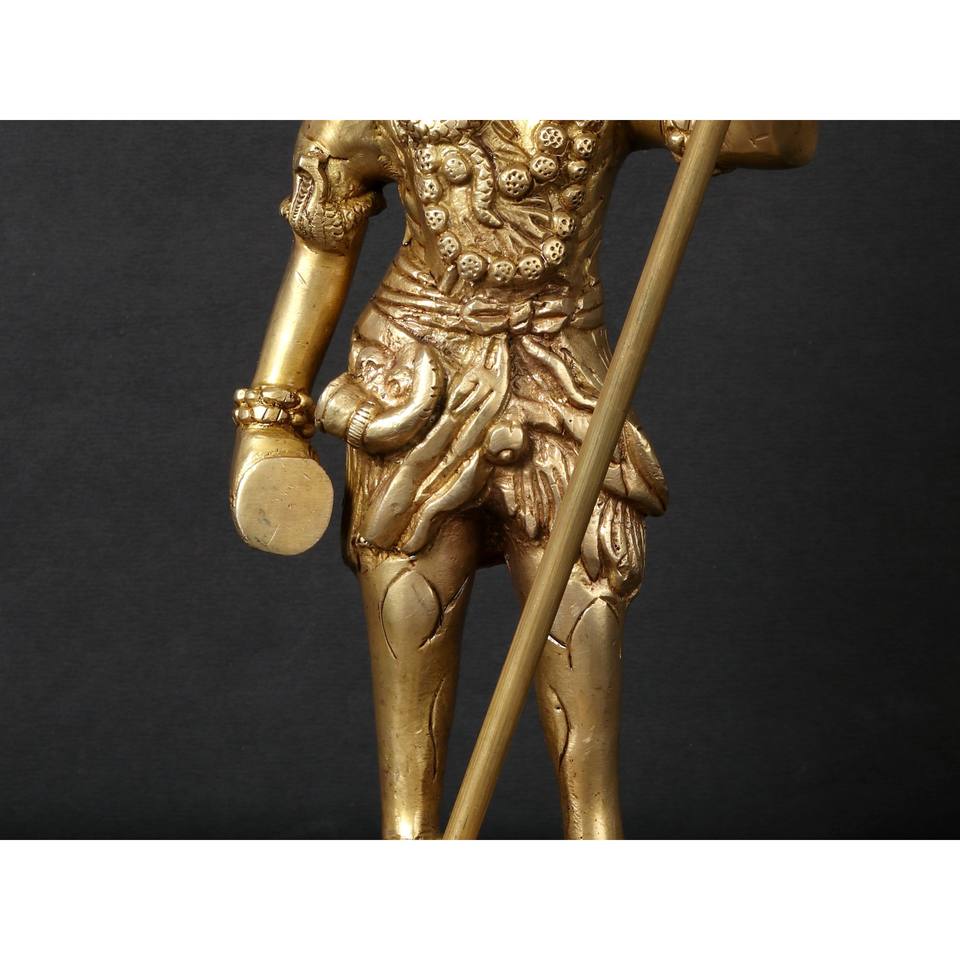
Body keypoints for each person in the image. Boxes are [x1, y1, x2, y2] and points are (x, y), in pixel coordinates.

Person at [230, 120, 817, 839]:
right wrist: (271, 420)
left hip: (564, 386)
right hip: (413, 384)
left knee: (584, 625)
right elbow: (322, 250)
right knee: (410, 631)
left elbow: (773, 140)